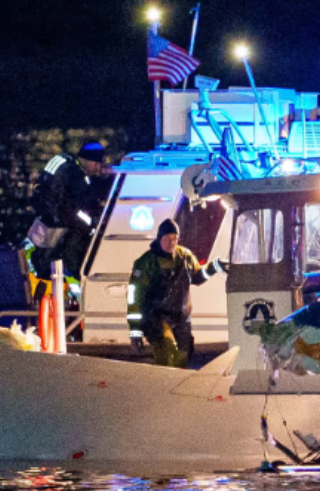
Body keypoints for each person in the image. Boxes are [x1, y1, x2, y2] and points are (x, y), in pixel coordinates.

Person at [128, 218, 218, 368]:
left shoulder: (185, 256)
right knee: (167, 346)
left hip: (181, 317)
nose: (171, 243)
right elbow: (134, 298)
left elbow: (197, 277)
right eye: (167, 239)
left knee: (184, 353)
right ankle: (162, 386)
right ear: (159, 239)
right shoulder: (145, 262)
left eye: (175, 239)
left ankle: (178, 387)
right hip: (155, 316)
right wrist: (135, 331)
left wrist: (214, 266)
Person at [26, 140, 112, 283]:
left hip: (53, 225)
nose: (98, 169)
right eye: (96, 164)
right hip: (56, 228)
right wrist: (92, 224)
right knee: (56, 263)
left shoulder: (74, 173)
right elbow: (73, 210)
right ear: (85, 159)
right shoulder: (75, 176)